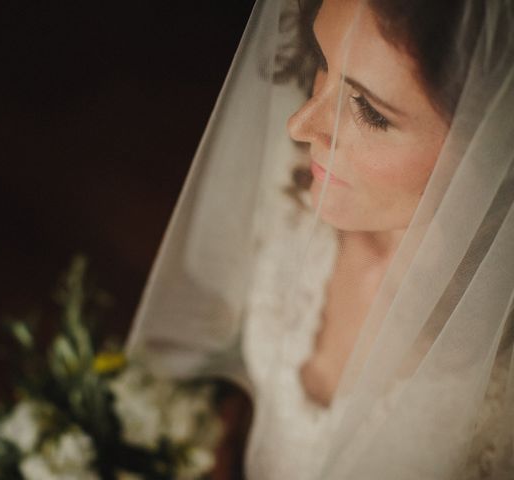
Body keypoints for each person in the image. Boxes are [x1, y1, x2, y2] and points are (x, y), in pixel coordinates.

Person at [127, 0, 514, 478]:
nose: (300, 124)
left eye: (370, 111)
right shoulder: (291, 190)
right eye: (323, 64)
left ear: (496, 143)